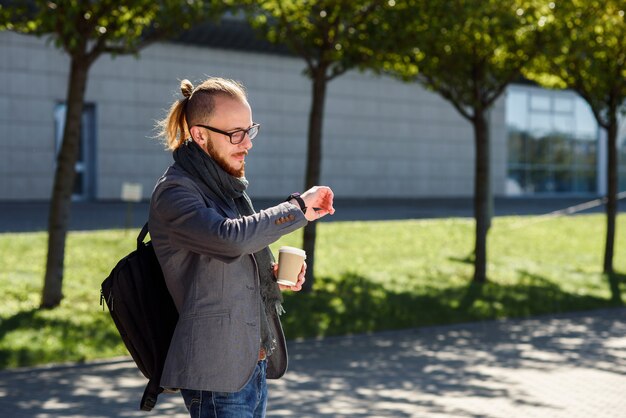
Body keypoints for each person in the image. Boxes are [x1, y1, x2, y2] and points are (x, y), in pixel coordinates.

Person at [149, 76, 335, 418]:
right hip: (217, 376)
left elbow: (230, 255)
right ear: (200, 134)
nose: (247, 143)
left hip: (251, 366)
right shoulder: (175, 192)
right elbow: (228, 238)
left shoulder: (224, 185)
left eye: (250, 131)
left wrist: (269, 274)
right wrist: (297, 207)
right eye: (235, 134)